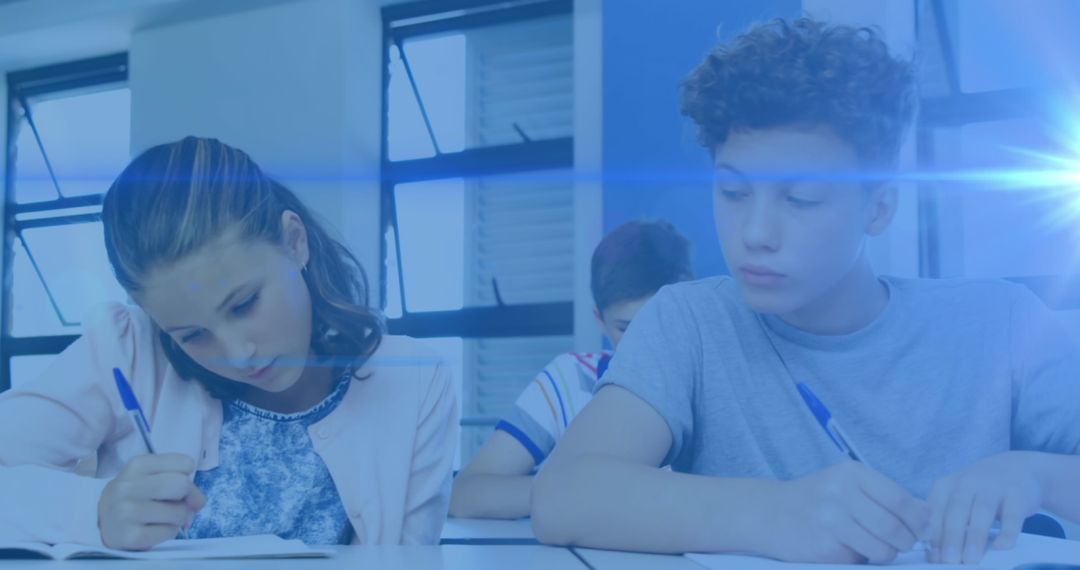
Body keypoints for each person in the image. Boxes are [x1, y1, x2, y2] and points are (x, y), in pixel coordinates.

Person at [531, 18, 1080, 565]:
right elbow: (562, 495)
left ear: (880, 207)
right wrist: (775, 512)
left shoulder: (999, 322)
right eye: (733, 192)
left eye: (802, 199)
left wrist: (1037, 475)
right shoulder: (690, 323)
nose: (755, 235)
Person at [0, 137, 458, 550]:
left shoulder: (415, 384)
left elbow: (406, 559)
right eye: (192, 336)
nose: (238, 352)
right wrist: (93, 512)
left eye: (244, 304)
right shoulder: (128, 347)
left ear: (295, 242)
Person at [448, 220, 694, 519]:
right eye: (625, 328)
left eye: (657, 326)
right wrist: (576, 493)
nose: (643, 344)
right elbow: (466, 493)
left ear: (688, 314)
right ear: (599, 318)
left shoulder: (713, 383)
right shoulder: (572, 378)